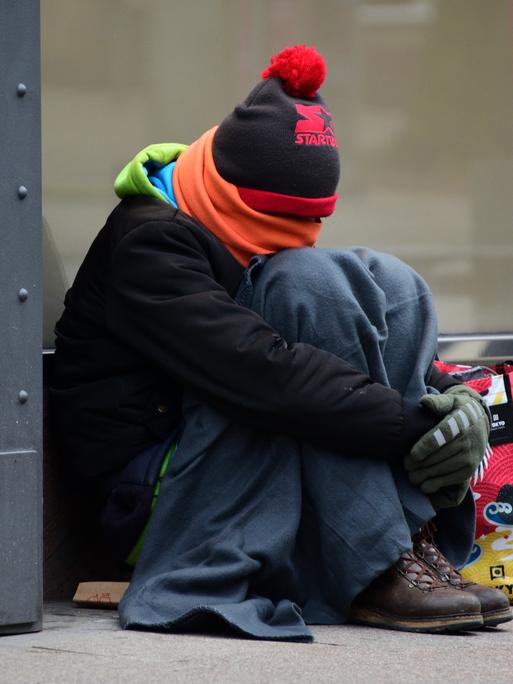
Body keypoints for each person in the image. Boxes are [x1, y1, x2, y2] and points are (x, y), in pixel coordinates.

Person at [51, 45, 511, 640]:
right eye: (271, 227)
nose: (290, 242)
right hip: (154, 503)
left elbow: (340, 345)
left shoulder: (219, 219)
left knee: (388, 282)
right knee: (308, 295)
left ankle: (405, 545)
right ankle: (374, 564)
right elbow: (268, 375)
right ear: (229, 191)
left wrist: (447, 398)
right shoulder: (151, 243)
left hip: (232, 441)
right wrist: (415, 425)